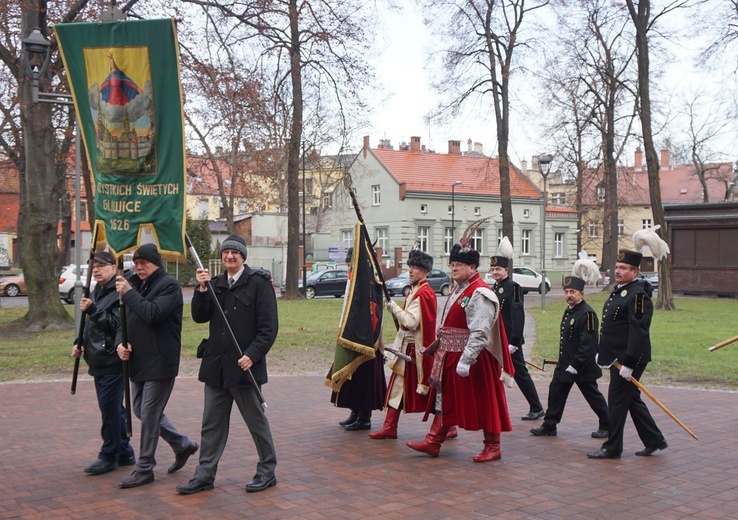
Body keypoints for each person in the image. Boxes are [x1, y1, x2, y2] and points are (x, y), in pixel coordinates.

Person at [176, 235, 278, 495]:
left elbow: (269, 328)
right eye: (225, 252)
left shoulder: (258, 283)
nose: (229, 256)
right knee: (211, 425)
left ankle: (267, 471)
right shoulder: (215, 283)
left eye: (235, 252)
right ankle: (204, 475)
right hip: (216, 368)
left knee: (256, 423)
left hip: (245, 368)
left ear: (243, 256)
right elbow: (199, 317)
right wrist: (200, 289)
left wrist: (253, 355)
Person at [406, 233, 514, 462]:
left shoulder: (480, 291)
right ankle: (433, 441)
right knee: (445, 399)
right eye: (452, 265)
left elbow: (481, 331)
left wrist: (467, 360)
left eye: (460, 265)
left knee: (484, 400)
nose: (454, 269)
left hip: (473, 360)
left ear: (472, 267)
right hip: (451, 354)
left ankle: (493, 446)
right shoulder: (460, 288)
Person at [116, 243, 198, 488]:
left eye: (144, 263)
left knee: (149, 414)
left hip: (160, 361)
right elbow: (124, 319)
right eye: (136, 263)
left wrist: (129, 293)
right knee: (141, 410)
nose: (138, 267)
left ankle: (144, 468)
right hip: (138, 359)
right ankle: (182, 444)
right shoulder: (135, 282)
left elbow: (151, 314)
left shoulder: (169, 286)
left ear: (157, 263)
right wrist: (121, 343)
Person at [587, 249, 667, 459]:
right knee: (630, 399)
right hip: (616, 358)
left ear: (634, 271)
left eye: (623, 268)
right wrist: (601, 352)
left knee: (617, 401)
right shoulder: (621, 290)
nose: (618, 271)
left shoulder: (637, 295)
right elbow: (613, 327)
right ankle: (654, 439)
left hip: (629, 358)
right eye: (617, 267)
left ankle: (612, 447)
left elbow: (638, 331)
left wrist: (630, 364)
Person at [71, 250, 135, 475]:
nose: (95, 269)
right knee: (113, 409)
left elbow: (116, 325)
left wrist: (93, 310)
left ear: (113, 268)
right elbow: (91, 326)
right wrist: (79, 341)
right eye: (93, 266)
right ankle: (125, 452)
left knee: (109, 409)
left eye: (101, 265)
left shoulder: (119, 292)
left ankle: (109, 455)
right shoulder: (97, 290)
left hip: (112, 361)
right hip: (97, 359)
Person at [369, 249, 443, 439]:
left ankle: (447, 424)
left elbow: (411, 322)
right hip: (406, 348)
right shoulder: (414, 290)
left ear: (425, 272)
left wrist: (394, 308)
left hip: (415, 350)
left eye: (416, 268)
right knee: (397, 387)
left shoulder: (424, 293)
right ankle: (390, 426)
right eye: (410, 267)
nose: (410, 271)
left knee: (427, 390)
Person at [530, 274, 609, 438]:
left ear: (581, 294)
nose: (568, 295)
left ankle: (608, 425)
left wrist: (576, 365)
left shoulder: (587, 314)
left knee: (593, 396)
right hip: (566, 364)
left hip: (582, 366)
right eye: (566, 292)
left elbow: (589, 344)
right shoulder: (570, 311)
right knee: (556, 391)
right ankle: (550, 425)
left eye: (572, 291)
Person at [331, 247, 386, 431]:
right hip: (352, 337)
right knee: (353, 380)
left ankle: (365, 417)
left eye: (351, 265)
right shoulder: (353, 282)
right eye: (347, 266)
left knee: (365, 381)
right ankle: (355, 412)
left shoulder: (369, 284)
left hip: (367, 342)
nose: (348, 269)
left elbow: (373, 313)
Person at [488, 242, 544, 420]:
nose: (495, 272)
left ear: (506, 270)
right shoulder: (494, 288)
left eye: (499, 269)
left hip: (510, 340)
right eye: (493, 269)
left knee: (520, 373)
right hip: (495, 338)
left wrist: (514, 341)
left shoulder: (514, 287)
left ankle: (536, 407)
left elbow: (518, 316)